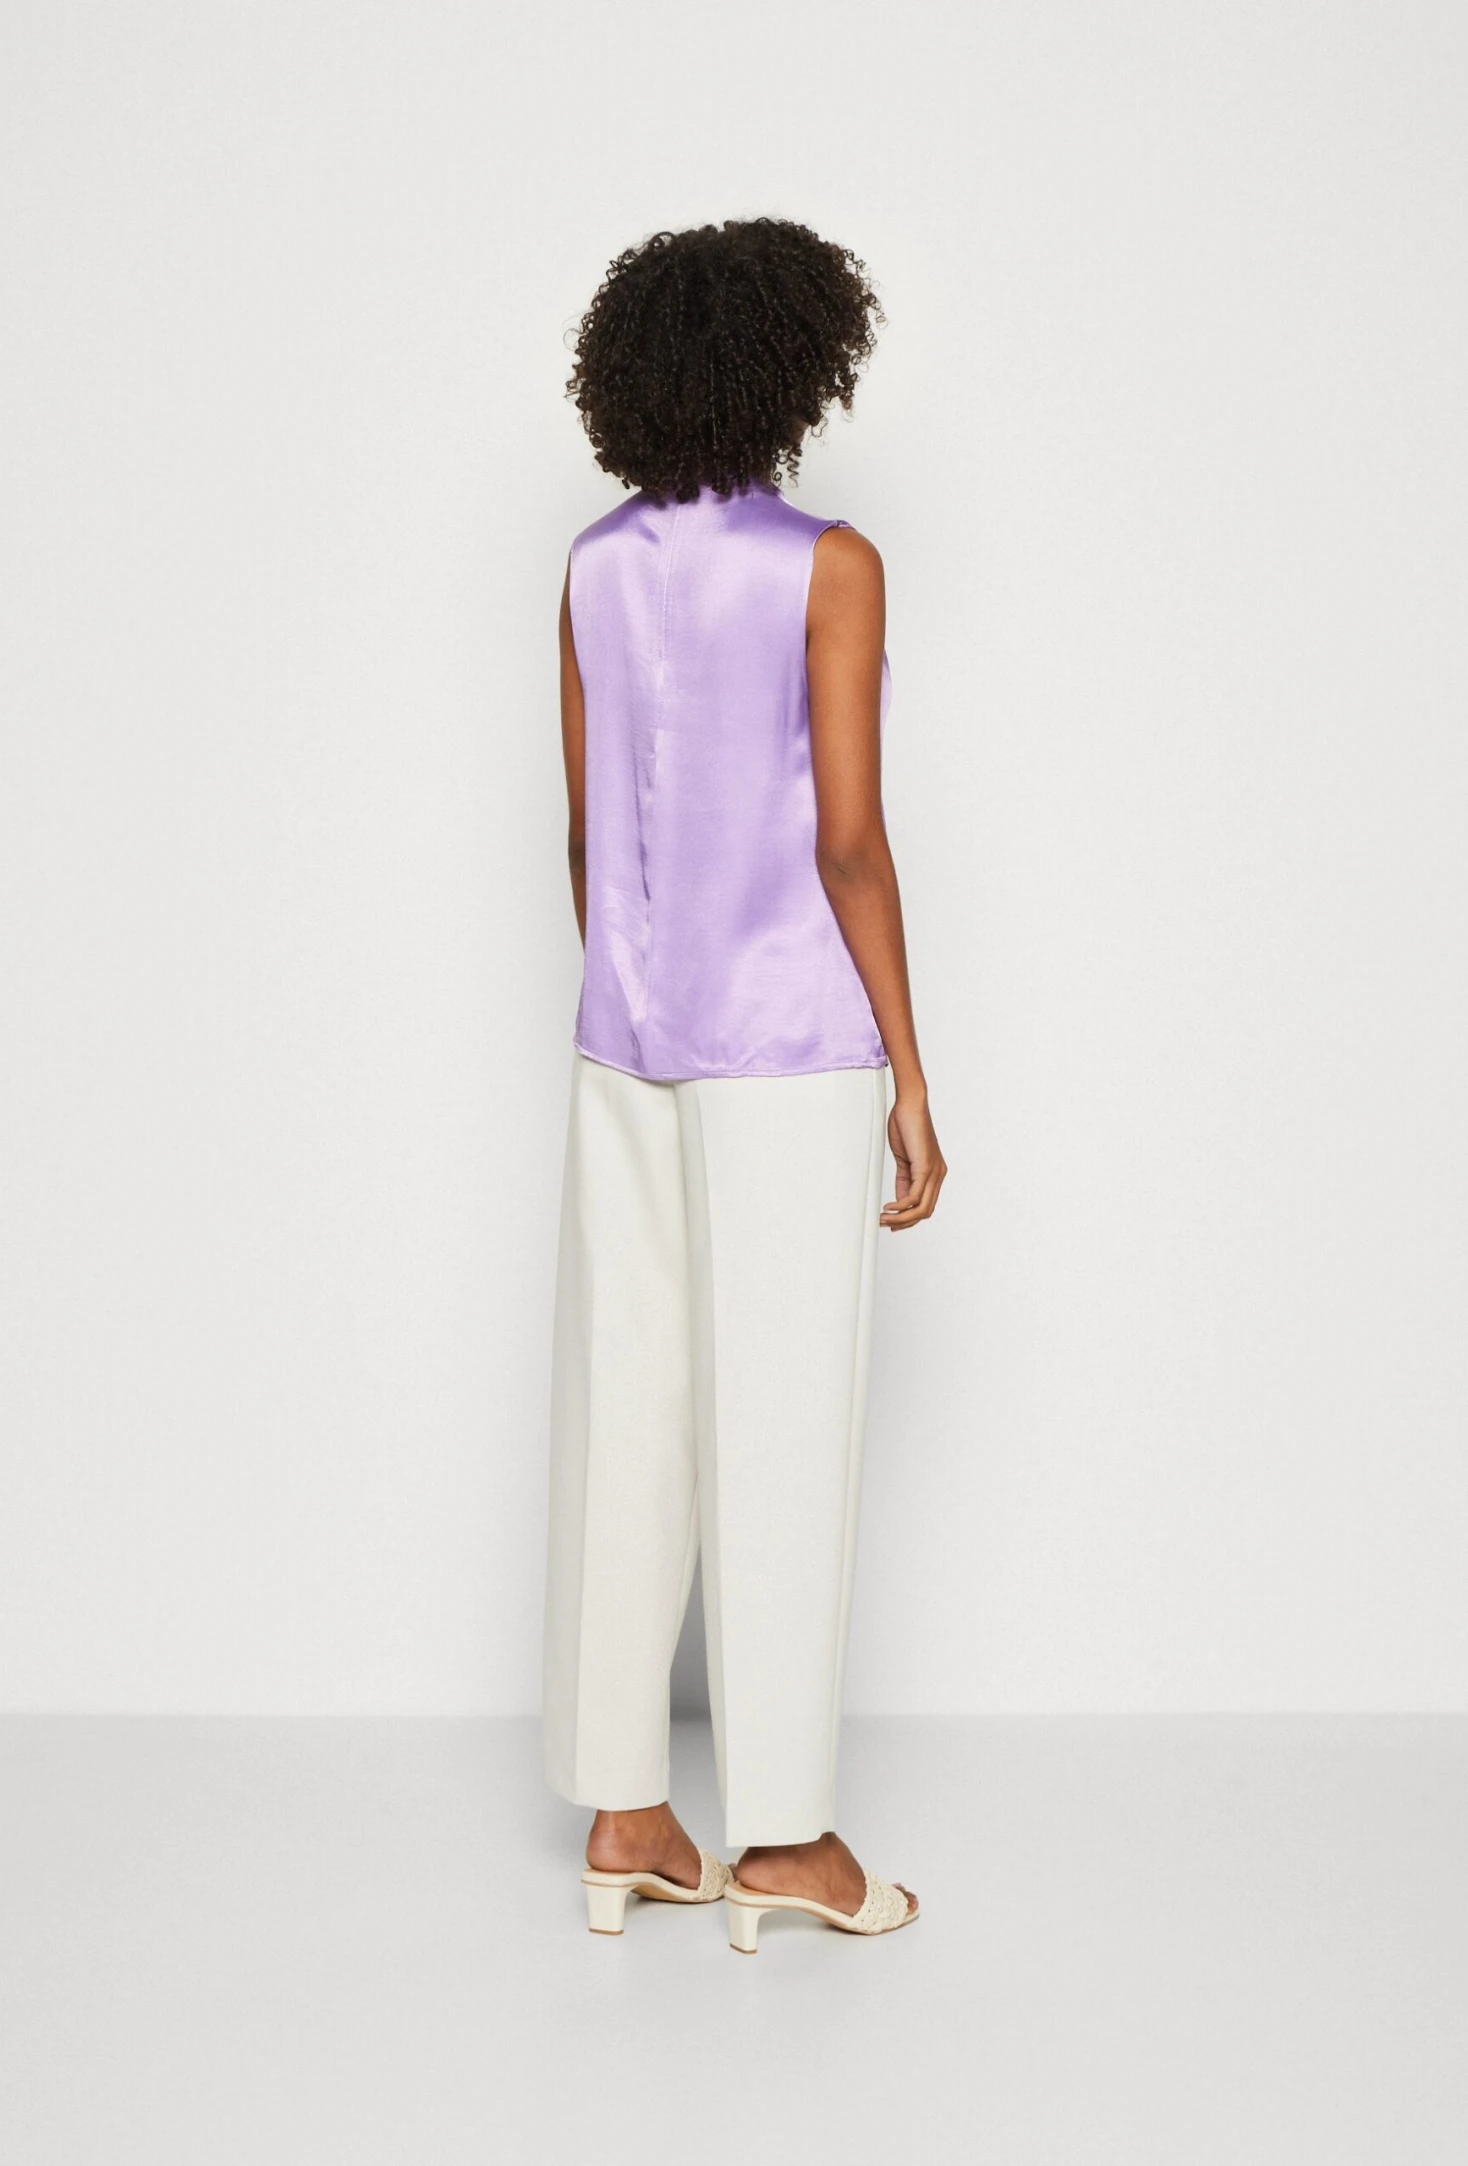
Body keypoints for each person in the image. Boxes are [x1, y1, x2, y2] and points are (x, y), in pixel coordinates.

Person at [542, 218, 946, 1953]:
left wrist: (640, 990)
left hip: (624, 1038)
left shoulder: (591, 565)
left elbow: (582, 837)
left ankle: (628, 1813)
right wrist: (909, 1070)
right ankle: (786, 1839)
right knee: (780, 1413)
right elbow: (847, 839)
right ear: (798, 367)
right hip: (787, 1048)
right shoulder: (830, 564)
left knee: (628, 1406)